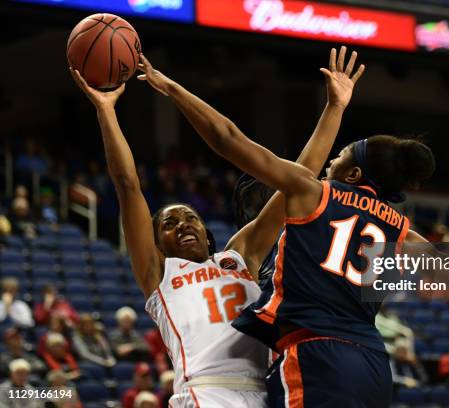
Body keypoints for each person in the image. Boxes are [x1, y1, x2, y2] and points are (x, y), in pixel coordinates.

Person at [137, 43, 449, 407]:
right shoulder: (400, 233)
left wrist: (170, 88)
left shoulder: (313, 193)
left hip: (315, 357)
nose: (331, 159)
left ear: (353, 174)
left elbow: (227, 139)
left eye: (341, 156)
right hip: (373, 366)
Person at [71, 45, 365, 407]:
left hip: (269, 391)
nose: (182, 225)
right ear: (157, 242)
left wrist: (334, 107)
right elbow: (128, 185)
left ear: (208, 232)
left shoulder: (241, 255)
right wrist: (106, 111)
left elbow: (299, 179)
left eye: (189, 217)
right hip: (205, 391)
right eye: (169, 223)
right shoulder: (158, 272)